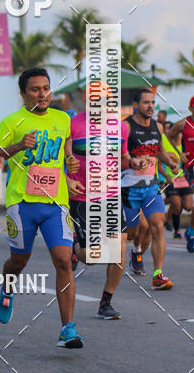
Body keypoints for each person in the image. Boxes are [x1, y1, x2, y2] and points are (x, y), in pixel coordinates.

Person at [0, 68, 84, 348]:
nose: (42, 94)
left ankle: (67, 328)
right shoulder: (12, 121)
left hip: (56, 202)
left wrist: (69, 161)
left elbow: (66, 141)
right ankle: (8, 287)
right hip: (22, 202)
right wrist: (18, 145)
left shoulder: (61, 118)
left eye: (46, 88)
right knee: (19, 261)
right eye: (35, 89)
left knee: (64, 260)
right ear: (23, 93)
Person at [67, 85, 130, 319]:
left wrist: (134, 162)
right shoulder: (71, 125)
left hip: (111, 195)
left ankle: (106, 302)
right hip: (82, 196)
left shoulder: (120, 127)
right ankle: (76, 251)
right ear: (85, 97)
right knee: (91, 258)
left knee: (120, 249)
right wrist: (67, 169)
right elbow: (61, 157)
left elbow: (123, 158)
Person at [122, 89, 179, 288]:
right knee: (133, 232)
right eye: (146, 103)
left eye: (153, 103)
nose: (150, 106)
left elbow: (160, 151)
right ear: (136, 105)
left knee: (156, 227)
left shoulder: (158, 127)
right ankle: (136, 249)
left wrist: (169, 165)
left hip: (151, 187)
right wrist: (132, 161)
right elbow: (116, 155)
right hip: (128, 188)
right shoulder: (126, 127)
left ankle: (158, 274)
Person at [167, 95, 194, 252]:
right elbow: (169, 136)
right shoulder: (184, 124)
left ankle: (191, 231)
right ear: (190, 108)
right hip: (187, 167)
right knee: (189, 206)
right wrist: (179, 153)